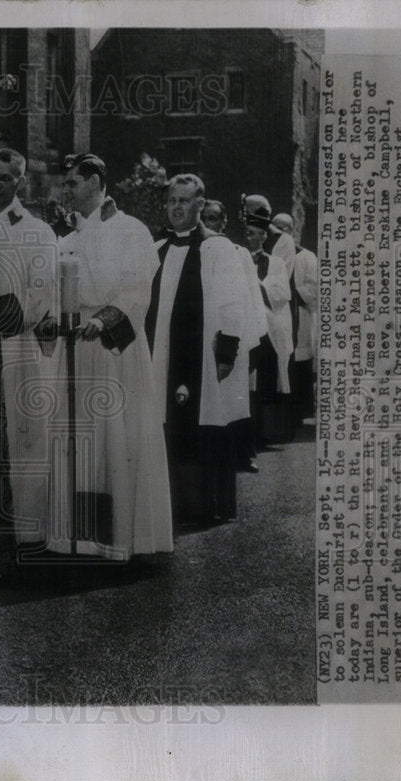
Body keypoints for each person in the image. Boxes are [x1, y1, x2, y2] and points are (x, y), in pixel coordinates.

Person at [40, 153, 172, 559]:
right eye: (65, 185)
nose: (66, 192)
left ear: (96, 182)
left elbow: (136, 290)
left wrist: (101, 321)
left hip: (114, 351)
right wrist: (49, 322)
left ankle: (118, 539)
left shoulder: (131, 230)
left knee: (115, 441)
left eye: (73, 184)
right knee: (79, 443)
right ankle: (77, 537)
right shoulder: (68, 238)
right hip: (76, 349)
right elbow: (54, 294)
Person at [144, 175, 249, 525]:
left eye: (184, 201)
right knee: (165, 420)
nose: (176, 207)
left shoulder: (218, 248)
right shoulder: (158, 249)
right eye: (172, 200)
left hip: (204, 359)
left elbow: (234, 302)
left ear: (200, 205)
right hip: (162, 355)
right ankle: (170, 505)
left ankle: (204, 505)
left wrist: (226, 354)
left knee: (204, 421)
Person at [0, 148, 58, 564]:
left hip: (15, 343)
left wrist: (5, 320)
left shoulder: (38, 231)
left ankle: (27, 533)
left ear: (20, 182)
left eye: (5, 178)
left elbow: (42, 293)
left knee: (22, 438)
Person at [201, 199, 267, 473]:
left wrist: (248, 339)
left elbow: (250, 297)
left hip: (231, 336)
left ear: (224, 222)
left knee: (235, 400)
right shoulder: (196, 249)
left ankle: (242, 453)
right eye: (203, 219)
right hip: (204, 335)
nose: (208, 224)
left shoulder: (236, 253)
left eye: (213, 219)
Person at [242, 196, 293, 445]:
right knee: (247, 380)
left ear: (263, 236)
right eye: (246, 233)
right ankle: (248, 431)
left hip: (270, 327)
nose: (248, 237)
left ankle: (268, 431)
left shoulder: (276, 263)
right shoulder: (238, 258)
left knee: (267, 378)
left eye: (253, 233)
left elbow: (282, 293)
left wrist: (255, 284)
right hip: (247, 325)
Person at [272, 211, 318, 424]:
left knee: (299, 363)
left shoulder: (307, 257)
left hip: (299, 313)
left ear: (293, 230)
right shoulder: (272, 256)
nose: (281, 232)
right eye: (277, 227)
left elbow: (314, 288)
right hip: (279, 316)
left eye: (285, 228)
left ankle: (300, 411)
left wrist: (292, 292)